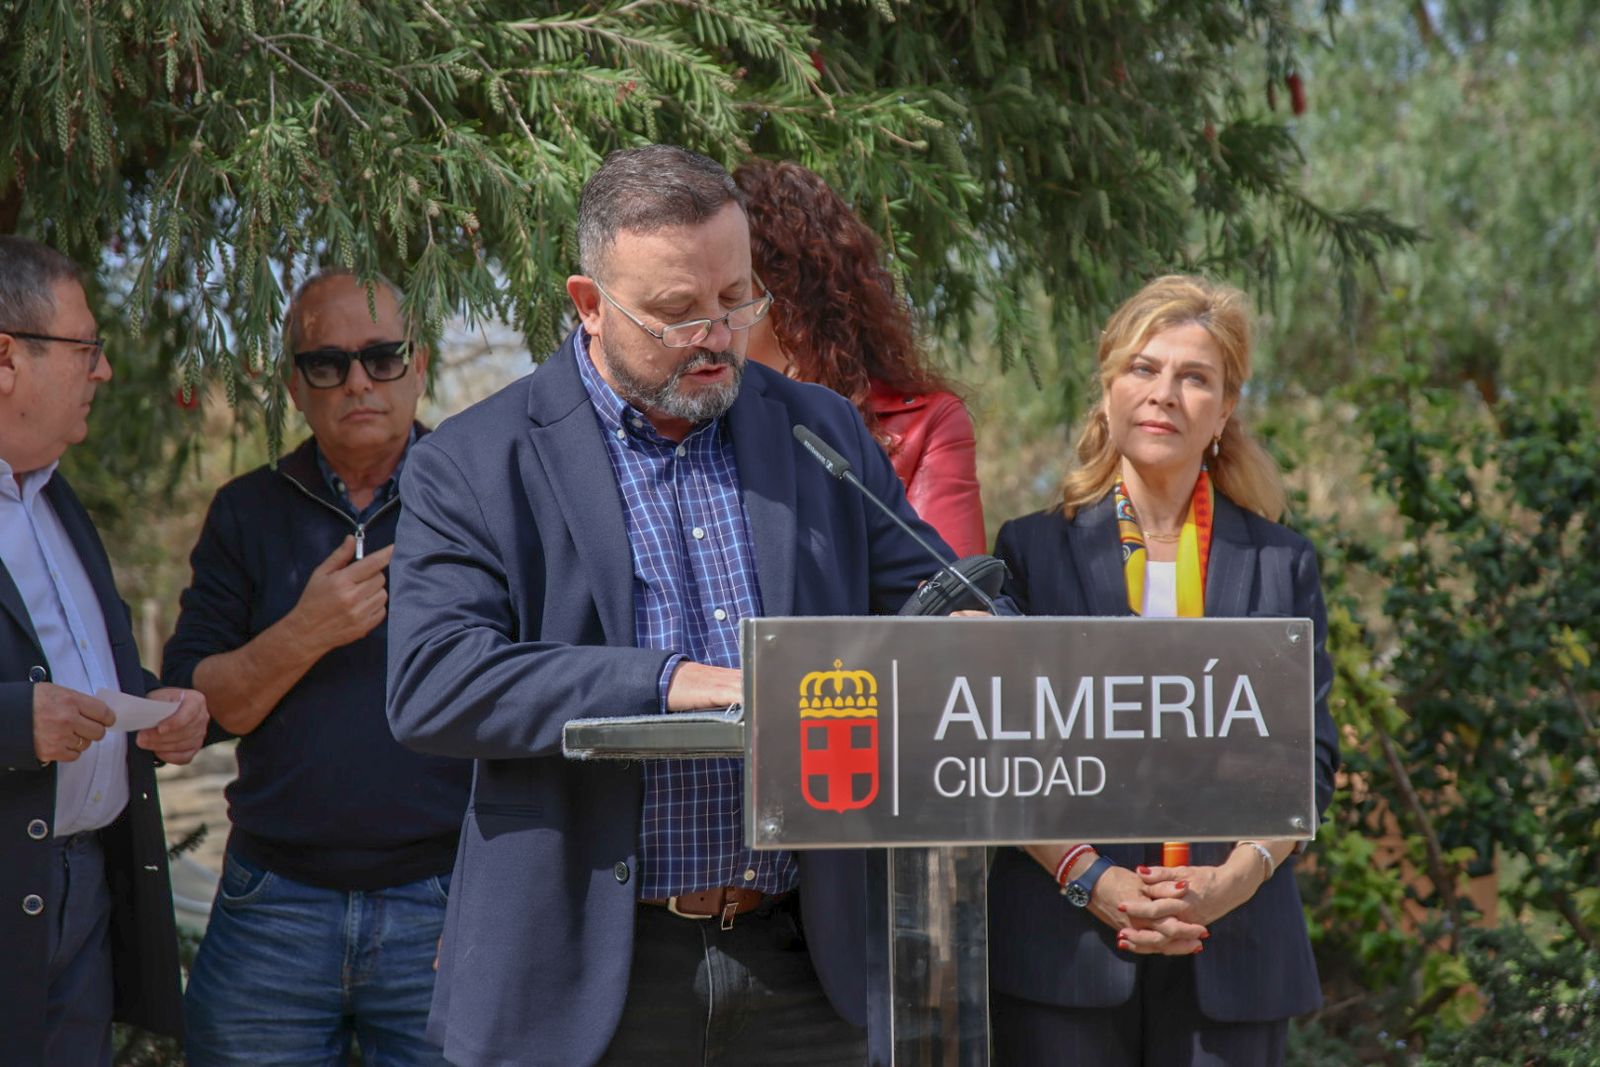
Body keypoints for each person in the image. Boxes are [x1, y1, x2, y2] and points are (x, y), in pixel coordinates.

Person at [385, 145, 952, 1067]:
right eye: (678, 313)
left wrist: (975, 633)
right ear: (588, 304)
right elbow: (434, 683)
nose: (717, 335)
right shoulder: (475, 460)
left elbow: (926, 598)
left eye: (736, 299)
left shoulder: (820, 431)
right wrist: (676, 683)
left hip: (805, 963)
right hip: (584, 977)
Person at [987, 275, 1340, 1065]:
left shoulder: (1280, 565)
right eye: (1143, 369)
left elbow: (1306, 759)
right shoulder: (1030, 552)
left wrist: (1230, 882)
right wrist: (1093, 877)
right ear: (1108, 392)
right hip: (1064, 948)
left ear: (1225, 409)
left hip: (1235, 946)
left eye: (1195, 377)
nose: (1165, 394)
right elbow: (1005, 755)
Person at [162, 271, 471, 1066]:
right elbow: (197, 711)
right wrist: (304, 632)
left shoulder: (482, 502)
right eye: (328, 363)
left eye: (382, 356)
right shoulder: (246, 512)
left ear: (421, 363)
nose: (359, 380)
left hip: (444, 903)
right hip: (274, 907)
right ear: (296, 388)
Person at [0, 235, 209, 1066]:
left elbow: (82, 671)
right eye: (87, 348)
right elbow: (30, 705)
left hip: (79, 891)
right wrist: (17, 721)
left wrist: (157, 708)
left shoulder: (55, 497)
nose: (105, 370)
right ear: (7, 357)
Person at [733, 158, 986, 556]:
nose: (711, 314)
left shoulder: (922, 424)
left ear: (788, 298)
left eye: (731, 291)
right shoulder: (695, 411)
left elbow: (951, 598)